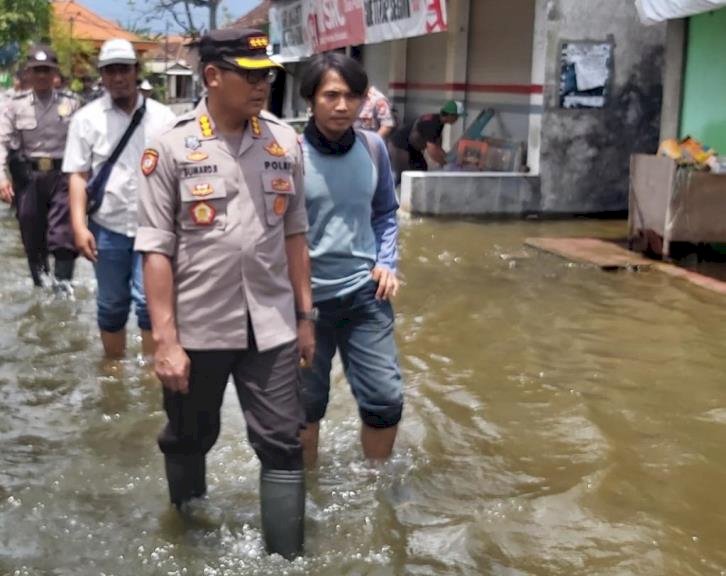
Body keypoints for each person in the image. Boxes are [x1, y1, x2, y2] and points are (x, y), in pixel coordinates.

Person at [134, 28, 314, 560]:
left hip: (272, 324)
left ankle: (288, 560)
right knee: (190, 437)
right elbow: (156, 249)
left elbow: (295, 235)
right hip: (199, 326)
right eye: (250, 75)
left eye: (268, 76)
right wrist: (165, 341)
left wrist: (306, 316)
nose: (262, 86)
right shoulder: (169, 146)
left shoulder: (285, 142)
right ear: (213, 76)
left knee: (284, 441)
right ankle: (187, 547)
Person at [297, 53, 403, 467]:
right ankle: (306, 490)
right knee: (304, 406)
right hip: (305, 303)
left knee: (385, 399)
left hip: (365, 295)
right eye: (331, 95)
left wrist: (387, 261)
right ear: (311, 100)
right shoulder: (288, 154)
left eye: (352, 96)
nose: (342, 106)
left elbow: (384, 213)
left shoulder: (373, 147)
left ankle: (376, 487)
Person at [63, 39, 176, 357]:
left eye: (123, 70)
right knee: (111, 305)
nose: (117, 78)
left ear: (136, 71)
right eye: (110, 71)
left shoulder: (164, 118)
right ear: (102, 75)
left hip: (152, 227)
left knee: (150, 305)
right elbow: (77, 175)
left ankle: (154, 373)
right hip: (107, 226)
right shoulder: (86, 119)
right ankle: (113, 368)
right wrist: (78, 226)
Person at [0, 46, 81, 288]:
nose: (42, 76)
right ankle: (40, 284)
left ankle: (63, 289)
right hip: (29, 178)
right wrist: (2, 177)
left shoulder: (73, 104)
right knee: (30, 230)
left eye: (46, 70)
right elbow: (2, 141)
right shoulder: (14, 105)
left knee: (64, 235)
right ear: (28, 73)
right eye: (37, 71)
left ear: (55, 73)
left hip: (63, 177)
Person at [388, 99, 463, 184]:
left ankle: (414, 194)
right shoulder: (433, 123)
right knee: (404, 175)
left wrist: (446, 158)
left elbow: (437, 145)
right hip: (400, 146)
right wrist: (445, 164)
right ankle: (392, 194)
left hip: (411, 147)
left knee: (421, 168)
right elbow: (431, 149)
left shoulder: (438, 121)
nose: (457, 120)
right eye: (457, 117)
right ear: (451, 115)